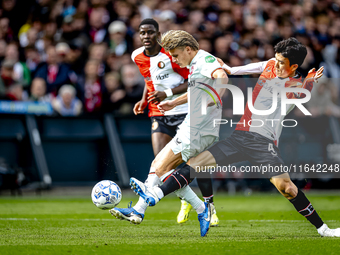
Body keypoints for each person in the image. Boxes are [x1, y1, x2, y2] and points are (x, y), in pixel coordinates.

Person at [131, 38, 340, 237]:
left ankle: (324, 229)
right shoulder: (269, 65)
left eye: (281, 63)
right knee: (195, 164)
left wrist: (309, 84)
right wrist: (226, 68)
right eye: (275, 60)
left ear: (294, 67)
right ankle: (155, 195)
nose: (275, 65)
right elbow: (246, 68)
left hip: (263, 144)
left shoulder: (295, 87)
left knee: (288, 189)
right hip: (240, 137)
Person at [112, 28, 228, 237]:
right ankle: (140, 210)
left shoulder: (204, 60)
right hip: (195, 126)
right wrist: (173, 102)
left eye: (175, 55)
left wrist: (216, 97)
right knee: (158, 166)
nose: (173, 59)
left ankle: (155, 198)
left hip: (199, 128)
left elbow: (221, 77)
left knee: (161, 169)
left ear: (187, 48)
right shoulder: (195, 64)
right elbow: (196, 91)